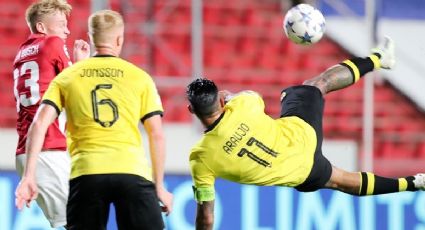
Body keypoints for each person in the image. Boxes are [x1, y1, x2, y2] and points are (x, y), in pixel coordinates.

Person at [186, 37, 425, 229]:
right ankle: (379, 58)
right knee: (315, 85)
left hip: (301, 173)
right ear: (219, 99)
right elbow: (250, 97)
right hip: (302, 133)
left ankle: (414, 182)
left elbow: (206, 216)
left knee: (340, 180)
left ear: (190, 110)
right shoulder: (243, 105)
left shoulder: (200, 159)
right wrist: (229, 97)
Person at [15, 9, 173, 229]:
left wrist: (28, 176)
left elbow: (39, 124)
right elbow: (156, 134)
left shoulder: (67, 78)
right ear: (119, 39)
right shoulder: (140, 77)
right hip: (131, 171)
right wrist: (159, 187)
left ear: (91, 38)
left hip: (87, 173)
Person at [13, 0, 89, 228]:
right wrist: (80, 64)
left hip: (31, 150)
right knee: (79, 221)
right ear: (42, 27)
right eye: (61, 24)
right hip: (48, 148)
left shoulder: (20, 54)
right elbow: (77, 89)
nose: (66, 30)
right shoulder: (52, 43)